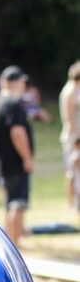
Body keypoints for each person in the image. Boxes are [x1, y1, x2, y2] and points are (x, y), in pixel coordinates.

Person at [0, 65, 34, 249]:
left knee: (10, 202)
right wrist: (27, 158)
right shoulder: (13, 105)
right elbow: (17, 133)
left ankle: (12, 242)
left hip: (2, 161)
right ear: (16, 82)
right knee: (17, 203)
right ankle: (14, 244)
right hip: (14, 162)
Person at [59, 61, 80, 207]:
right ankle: (71, 202)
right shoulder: (69, 92)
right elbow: (69, 118)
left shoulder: (76, 90)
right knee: (71, 170)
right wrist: (77, 140)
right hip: (73, 138)